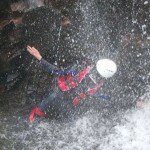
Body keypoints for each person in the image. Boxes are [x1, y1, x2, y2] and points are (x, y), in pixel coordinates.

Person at [27, 45, 117, 123]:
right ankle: (43, 113)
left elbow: (57, 71)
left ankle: (40, 112)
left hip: (62, 100)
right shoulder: (98, 84)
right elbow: (106, 98)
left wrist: (40, 58)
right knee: (58, 99)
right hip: (65, 103)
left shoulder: (81, 71)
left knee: (55, 98)